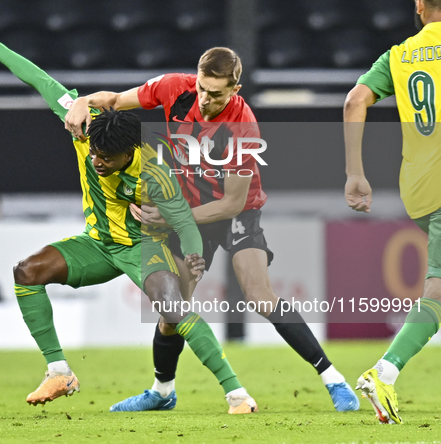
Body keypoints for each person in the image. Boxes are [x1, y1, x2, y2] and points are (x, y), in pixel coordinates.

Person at [0, 22, 258, 414]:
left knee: (172, 308)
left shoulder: (154, 173)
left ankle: (236, 394)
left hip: (142, 247)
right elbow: (42, 81)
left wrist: (195, 261)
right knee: (26, 272)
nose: (97, 162)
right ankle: (59, 371)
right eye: (94, 154)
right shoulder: (85, 128)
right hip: (97, 244)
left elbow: (183, 222)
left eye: (107, 159)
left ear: (130, 152)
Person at [65, 47, 359, 413]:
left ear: (235, 89)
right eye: (203, 89)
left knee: (260, 297)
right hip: (188, 211)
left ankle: (334, 381)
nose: (205, 100)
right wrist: (81, 102)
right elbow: (111, 100)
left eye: (216, 94)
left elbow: (231, 204)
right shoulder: (174, 88)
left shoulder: (243, 124)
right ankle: (161, 392)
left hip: (235, 214)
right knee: (173, 308)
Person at [344, 0, 441, 425]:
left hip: (420, 188)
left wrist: (355, 176)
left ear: (420, 7)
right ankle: (384, 372)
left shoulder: (398, 55)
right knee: (437, 293)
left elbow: (354, 102)